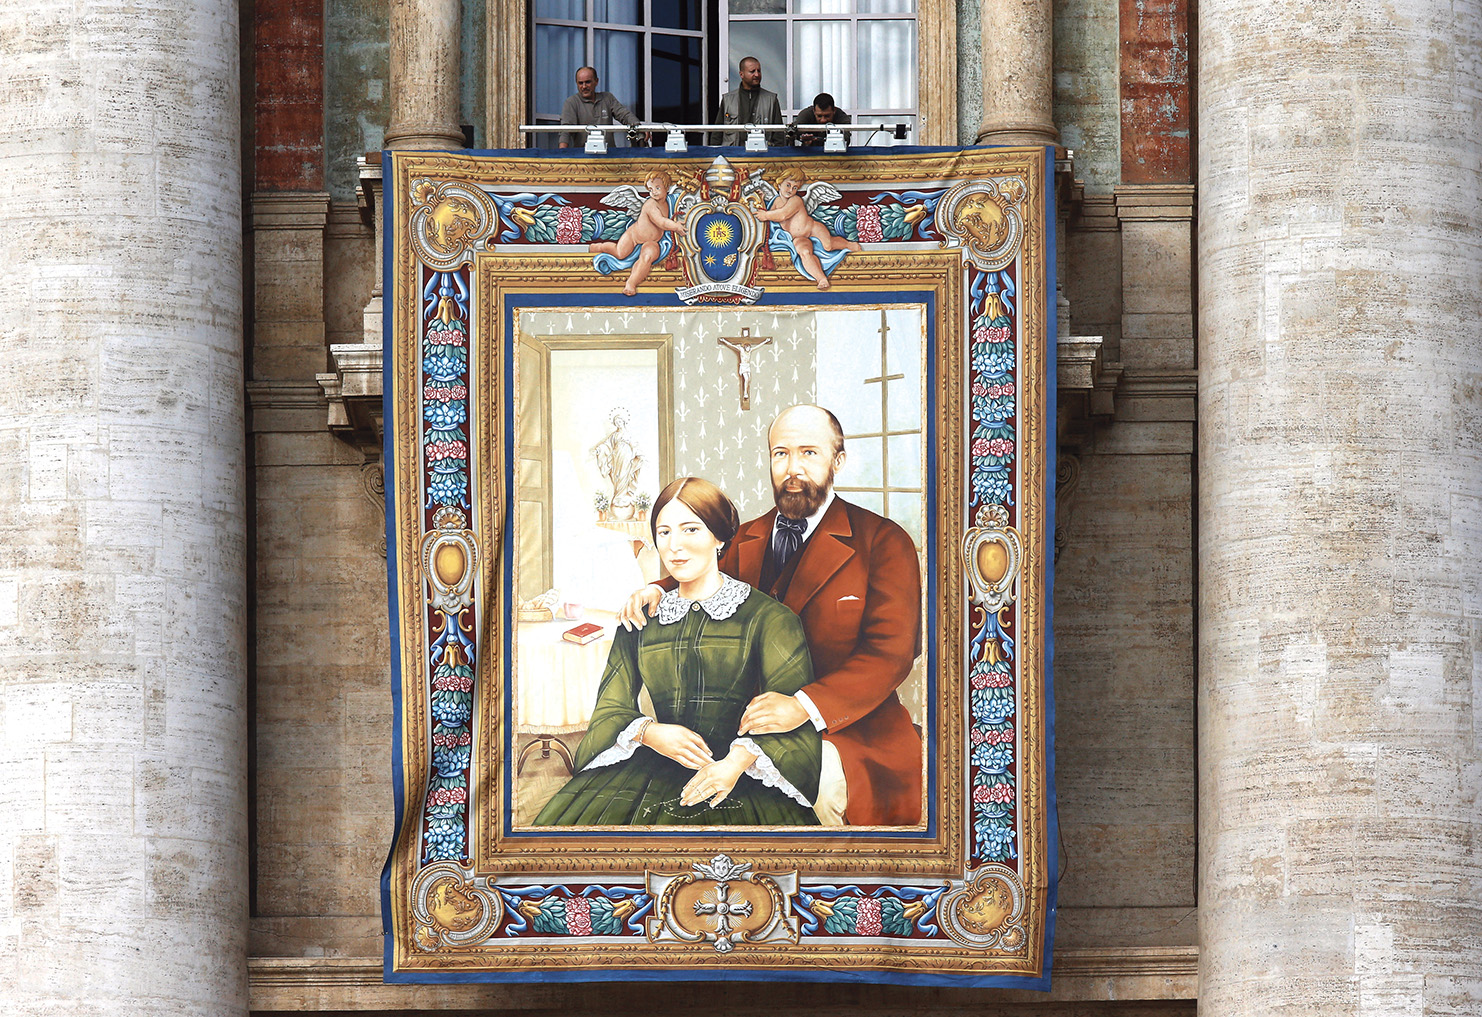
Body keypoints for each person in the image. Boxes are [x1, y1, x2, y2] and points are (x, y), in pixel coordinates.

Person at [620, 405, 923, 827]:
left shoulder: (883, 541)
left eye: (809, 453)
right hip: (745, 724)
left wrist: (803, 705)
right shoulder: (747, 536)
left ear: (838, 461)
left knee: (814, 800)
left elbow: (891, 654)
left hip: (848, 732)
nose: (792, 468)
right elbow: (705, 572)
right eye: (781, 454)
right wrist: (658, 587)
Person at [534, 477, 822, 827]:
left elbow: (791, 720)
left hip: (741, 774)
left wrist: (733, 764)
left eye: (690, 530)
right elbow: (609, 709)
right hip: (648, 765)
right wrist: (649, 732)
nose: (675, 547)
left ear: (719, 537)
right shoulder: (641, 619)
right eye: (664, 532)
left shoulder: (770, 619)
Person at [754, 167, 862, 290]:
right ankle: (821, 278)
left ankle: (848, 245)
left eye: (795, 188)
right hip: (798, 237)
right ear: (779, 183)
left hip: (813, 229)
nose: (791, 190)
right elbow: (766, 215)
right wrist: (761, 200)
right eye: (788, 185)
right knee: (804, 252)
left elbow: (783, 214)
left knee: (828, 245)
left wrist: (766, 215)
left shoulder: (796, 200)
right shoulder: (775, 202)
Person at [587, 168, 684, 296]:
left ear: (666, 187)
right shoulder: (650, 204)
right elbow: (661, 222)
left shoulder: (670, 203)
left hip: (653, 241)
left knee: (647, 256)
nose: (653, 192)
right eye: (650, 189)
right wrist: (676, 226)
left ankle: (631, 283)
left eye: (657, 188)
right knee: (619, 253)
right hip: (633, 236)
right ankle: (599, 246)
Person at [558, 66, 642, 149]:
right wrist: (561, 156)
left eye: (587, 82)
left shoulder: (607, 98)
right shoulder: (571, 102)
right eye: (580, 83)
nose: (584, 86)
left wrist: (639, 127)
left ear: (596, 81)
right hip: (583, 158)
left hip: (609, 156)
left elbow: (624, 115)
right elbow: (566, 130)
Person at [711, 56, 783, 146]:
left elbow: (779, 136)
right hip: (732, 156)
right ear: (741, 74)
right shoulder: (728, 100)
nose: (757, 74)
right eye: (752, 71)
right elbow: (717, 134)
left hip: (761, 155)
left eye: (759, 71)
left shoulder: (771, 99)